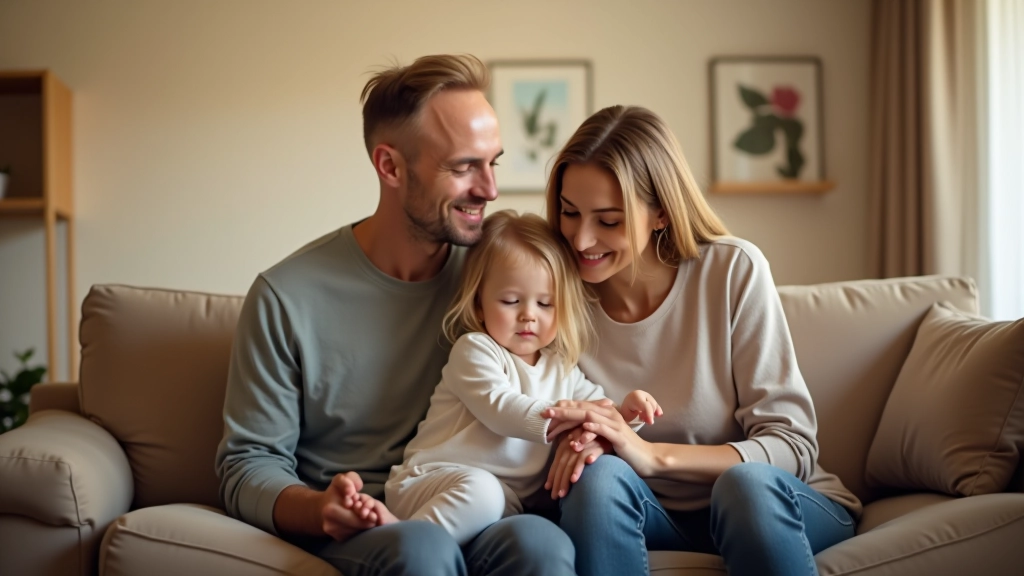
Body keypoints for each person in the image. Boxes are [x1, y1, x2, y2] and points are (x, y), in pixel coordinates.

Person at [215, 54, 577, 576]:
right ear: (390, 166)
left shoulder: (499, 282)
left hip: (476, 505)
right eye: (463, 167)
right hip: (361, 530)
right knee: (421, 551)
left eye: (492, 163)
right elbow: (245, 467)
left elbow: (566, 368)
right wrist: (321, 510)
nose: (490, 189)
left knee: (541, 544)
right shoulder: (286, 296)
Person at [539, 105, 862, 576]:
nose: (581, 239)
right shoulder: (549, 294)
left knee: (744, 486)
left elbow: (792, 445)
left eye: (608, 221)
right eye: (570, 213)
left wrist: (650, 455)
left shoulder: (732, 270)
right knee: (598, 478)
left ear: (661, 214)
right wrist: (581, 441)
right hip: (653, 515)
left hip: (772, 505)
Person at [376, 210, 661, 546]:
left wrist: (626, 415)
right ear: (479, 304)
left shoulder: (562, 368)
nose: (528, 315)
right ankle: (399, 541)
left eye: (545, 304)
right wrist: (565, 416)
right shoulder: (475, 350)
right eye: (511, 301)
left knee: (529, 527)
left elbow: (598, 412)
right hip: (431, 481)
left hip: (501, 504)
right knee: (483, 492)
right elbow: (502, 408)